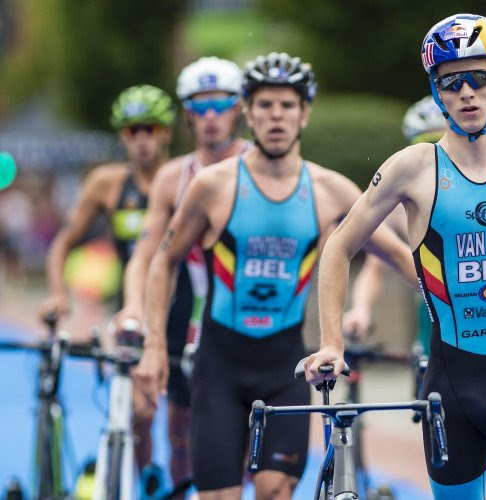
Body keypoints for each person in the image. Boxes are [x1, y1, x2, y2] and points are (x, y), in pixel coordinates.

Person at [304, 14, 486, 500]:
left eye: (480, 77)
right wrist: (332, 343)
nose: (467, 93)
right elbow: (340, 244)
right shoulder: (412, 168)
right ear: (437, 93)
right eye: (451, 82)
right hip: (450, 392)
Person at [133, 52, 416, 499]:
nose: (276, 116)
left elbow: (401, 256)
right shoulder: (212, 186)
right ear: (247, 114)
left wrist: (451, 309)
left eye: (287, 105)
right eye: (264, 105)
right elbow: (164, 261)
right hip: (218, 366)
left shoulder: (330, 189)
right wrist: (153, 347)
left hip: (285, 367)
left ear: (304, 115)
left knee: (274, 490)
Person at [113, 56, 252, 487]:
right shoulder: (174, 177)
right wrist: (133, 308)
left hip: (251, 316)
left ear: (239, 108)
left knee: (250, 447)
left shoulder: (261, 164)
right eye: (200, 107)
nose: (210, 117)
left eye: (221, 105)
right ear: (188, 114)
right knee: (178, 432)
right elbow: (147, 254)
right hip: (188, 318)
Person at [39, 84, 174, 321]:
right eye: (132, 131)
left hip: (181, 305)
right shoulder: (106, 183)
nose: (141, 139)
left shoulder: (188, 178)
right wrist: (58, 295)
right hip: (131, 306)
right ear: (122, 136)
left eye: (150, 129)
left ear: (167, 132)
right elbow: (62, 243)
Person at [342, 95, 444, 356]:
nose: (434, 152)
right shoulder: (402, 205)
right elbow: (375, 267)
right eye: (425, 142)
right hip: (434, 313)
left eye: (442, 141)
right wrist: (361, 308)